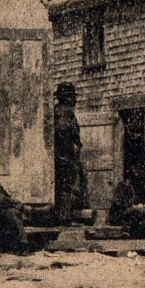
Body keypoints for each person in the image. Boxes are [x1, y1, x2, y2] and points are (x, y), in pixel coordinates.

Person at [54, 82, 90, 223]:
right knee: (66, 186)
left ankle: (64, 215)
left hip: (61, 156)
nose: (74, 100)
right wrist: (74, 151)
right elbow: (65, 134)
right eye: (71, 97)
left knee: (65, 186)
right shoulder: (65, 114)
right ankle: (64, 217)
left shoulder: (58, 112)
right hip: (64, 157)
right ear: (66, 98)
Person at [109, 163, 145, 239]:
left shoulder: (138, 188)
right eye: (139, 180)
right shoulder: (123, 186)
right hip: (119, 216)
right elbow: (119, 205)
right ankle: (126, 232)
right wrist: (135, 207)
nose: (141, 183)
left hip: (131, 214)